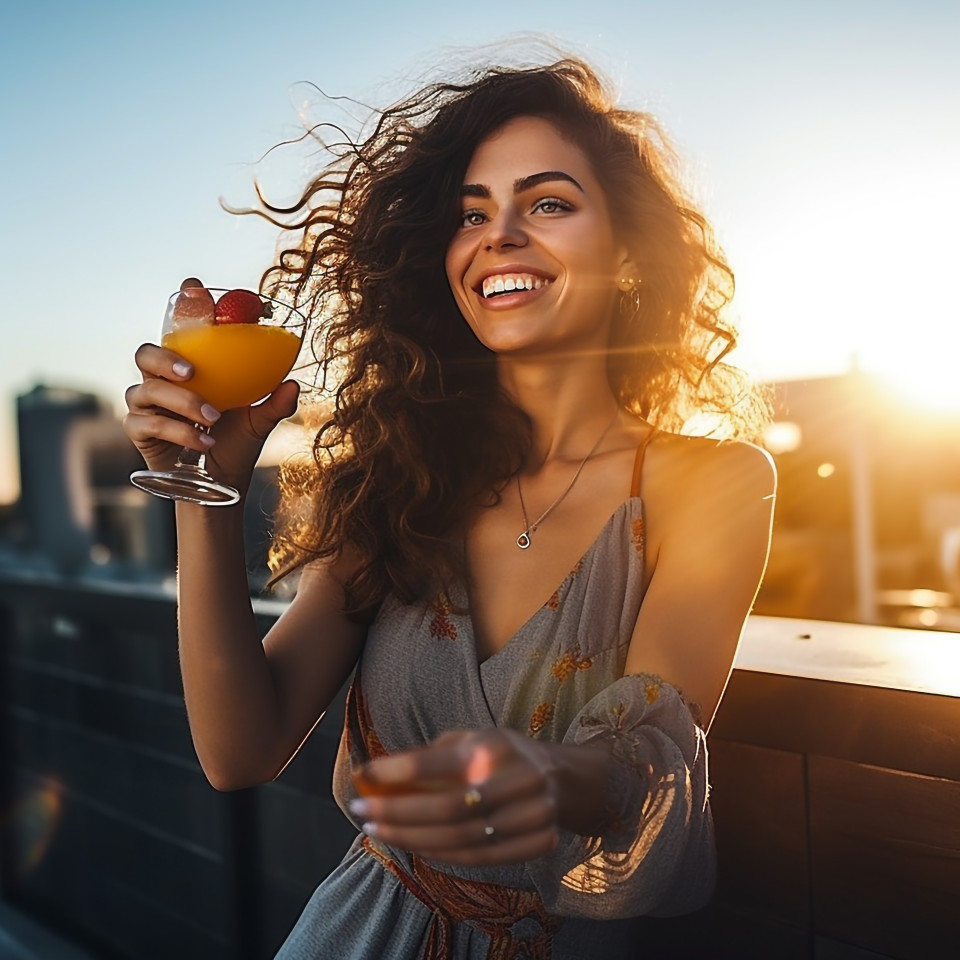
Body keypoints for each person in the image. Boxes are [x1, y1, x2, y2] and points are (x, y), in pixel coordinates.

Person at [124, 56, 775, 960]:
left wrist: (554, 778)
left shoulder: (712, 483)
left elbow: (653, 764)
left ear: (629, 252)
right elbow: (239, 751)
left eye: (547, 203)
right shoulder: (402, 481)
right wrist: (210, 487)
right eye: (473, 213)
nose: (498, 236)